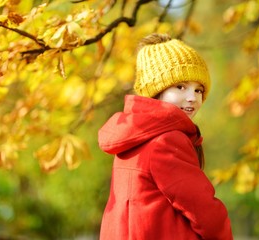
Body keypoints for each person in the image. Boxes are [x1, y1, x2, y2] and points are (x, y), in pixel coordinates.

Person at [98, 33, 233, 239]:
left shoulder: (134, 134)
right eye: (180, 87)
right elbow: (205, 211)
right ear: (156, 89)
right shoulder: (166, 140)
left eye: (198, 90)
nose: (192, 98)